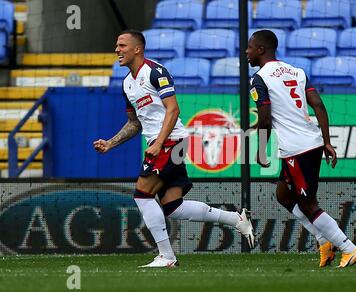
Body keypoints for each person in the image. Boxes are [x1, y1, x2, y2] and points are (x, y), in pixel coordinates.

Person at [94, 30, 255, 268]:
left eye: (122, 45)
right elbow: (134, 123)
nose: (117, 49)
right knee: (173, 207)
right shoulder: (127, 83)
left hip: (171, 142)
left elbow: (173, 109)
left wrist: (159, 142)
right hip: (160, 144)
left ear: (137, 49)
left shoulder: (156, 72)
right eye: (117, 45)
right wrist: (111, 143)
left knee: (142, 194)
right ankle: (236, 219)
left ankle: (167, 256)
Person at [247, 30, 356, 268]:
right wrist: (327, 141)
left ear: (261, 49)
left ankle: (349, 249)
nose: (246, 52)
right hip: (311, 142)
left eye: (249, 47)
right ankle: (324, 240)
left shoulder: (259, 79)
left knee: (308, 204)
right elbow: (318, 105)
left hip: (297, 149)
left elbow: (266, 119)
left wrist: (260, 150)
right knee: (283, 194)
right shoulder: (297, 71)